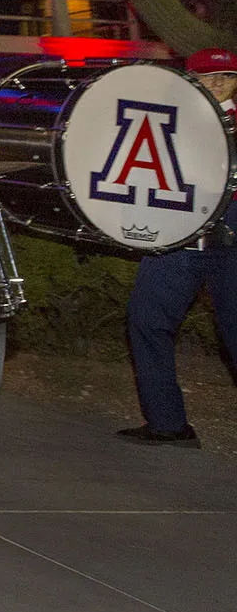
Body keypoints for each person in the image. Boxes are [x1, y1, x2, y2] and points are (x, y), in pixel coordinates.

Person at [117, 47, 237, 447]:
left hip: (232, 231)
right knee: (147, 317)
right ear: (189, 79)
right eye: (208, 76)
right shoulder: (164, 120)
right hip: (178, 228)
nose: (218, 84)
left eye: (228, 76)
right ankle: (167, 424)